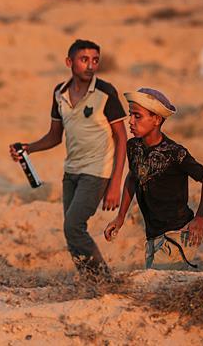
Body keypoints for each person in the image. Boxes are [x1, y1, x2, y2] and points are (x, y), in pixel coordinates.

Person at [9, 39, 127, 275]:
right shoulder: (59, 93)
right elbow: (55, 136)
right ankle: (90, 281)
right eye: (84, 60)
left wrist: (115, 184)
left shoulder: (105, 92)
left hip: (97, 172)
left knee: (73, 226)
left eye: (95, 60)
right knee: (71, 229)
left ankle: (103, 280)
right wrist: (29, 148)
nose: (90, 65)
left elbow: (122, 139)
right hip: (71, 172)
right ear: (69, 62)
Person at [103, 88, 203, 270]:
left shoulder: (175, 153)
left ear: (156, 120)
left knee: (156, 284)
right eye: (130, 115)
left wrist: (200, 218)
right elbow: (133, 177)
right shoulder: (133, 147)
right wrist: (120, 217)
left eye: (137, 116)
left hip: (177, 234)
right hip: (152, 235)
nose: (130, 121)